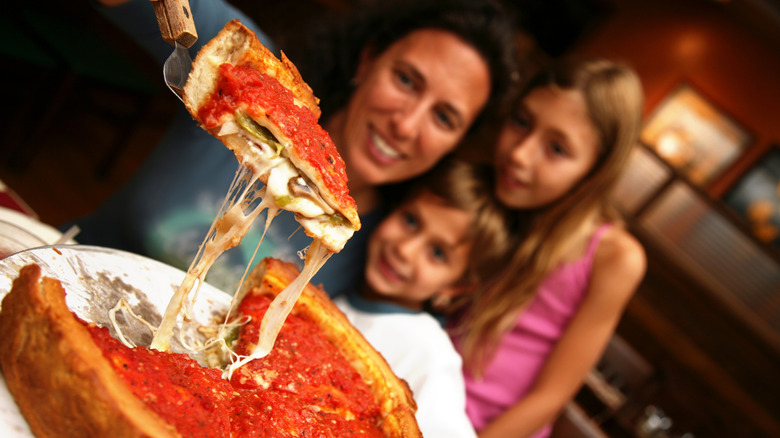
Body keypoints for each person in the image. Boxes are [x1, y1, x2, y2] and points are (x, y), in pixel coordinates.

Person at [72, 0, 519, 296]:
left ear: (457, 142)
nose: (406, 124)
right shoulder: (251, 77)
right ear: (368, 60)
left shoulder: (393, 245)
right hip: (57, 267)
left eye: (444, 118)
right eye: (405, 80)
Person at [448, 57, 647, 438]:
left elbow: (549, 398)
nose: (520, 154)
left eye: (556, 149)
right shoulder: (484, 193)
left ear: (595, 171)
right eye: (522, 121)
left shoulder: (613, 256)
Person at [333, 157, 513, 438]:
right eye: (411, 220)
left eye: (438, 253)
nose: (406, 250)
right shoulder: (343, 286)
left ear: (456, 287)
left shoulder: (430, 356)